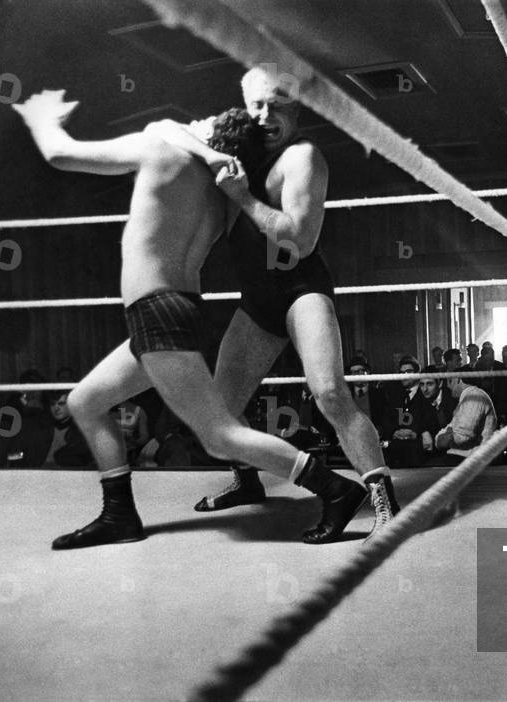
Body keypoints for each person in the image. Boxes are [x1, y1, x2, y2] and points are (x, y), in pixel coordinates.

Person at [13, 89, 360, 549]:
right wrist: (209, 151)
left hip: (157, 312)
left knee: (219, 436)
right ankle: (119, 514)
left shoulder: (161, 148)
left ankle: (336, 489)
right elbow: (174, 130)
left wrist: (39, 116)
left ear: (211, 134)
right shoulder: (220, 197)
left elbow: (61, 153)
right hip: (175, 310)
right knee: (86, 402)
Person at [167, 68, 399, 539]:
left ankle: (383, 498)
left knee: (330, 392)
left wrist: (241, 196)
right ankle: (247, 482)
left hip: (301, 290)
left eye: (277, 104)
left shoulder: (303, 157)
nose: (265, 115)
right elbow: (165, 131)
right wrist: (208, 151)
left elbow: (300, 241)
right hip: (256, 299)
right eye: (256, 105)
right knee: (219, 410)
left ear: (297, 108)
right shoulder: (238, 153)